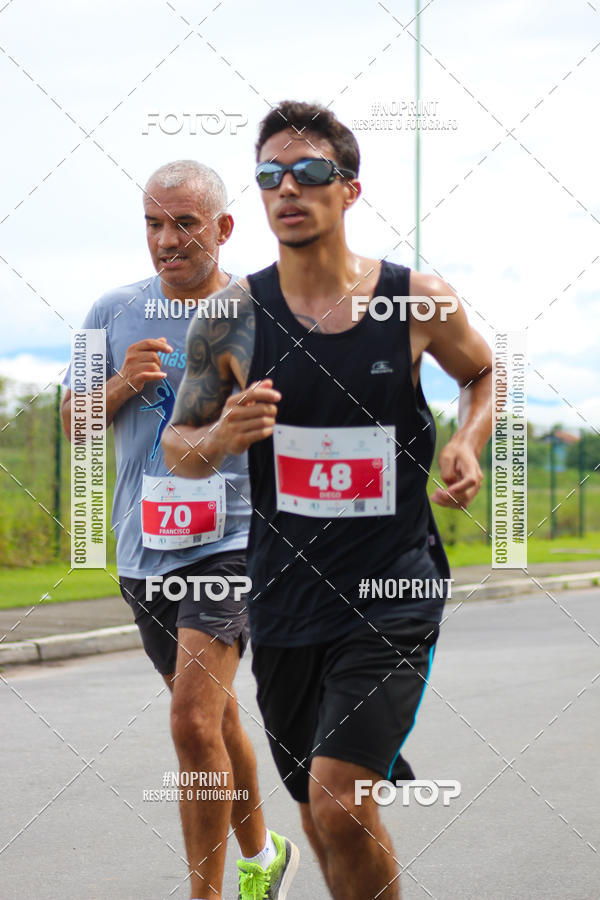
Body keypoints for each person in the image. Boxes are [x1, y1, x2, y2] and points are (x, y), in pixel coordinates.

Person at [162, 104, 493, 899]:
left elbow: (482, 372)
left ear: (348, 189)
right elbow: (180, 449)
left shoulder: (416, 300)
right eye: (270, 174)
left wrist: (466, 441)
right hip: (285, 601)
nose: (288, 188)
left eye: (309, 172)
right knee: (318, 811)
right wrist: (222, 436)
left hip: (393, 591)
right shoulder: (232, 317)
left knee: (340, 799)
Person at [61, 160, 298, 900]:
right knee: (214, 720)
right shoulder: (111, 310)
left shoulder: (259, 312)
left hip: (231, 540)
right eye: (153, 224)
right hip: (145, 545)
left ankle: (206, 894)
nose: (167, 239)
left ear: (223, 228)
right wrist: (122, 384)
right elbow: (72, 422)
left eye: (185, 224)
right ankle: (264, 857)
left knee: (192, 721)